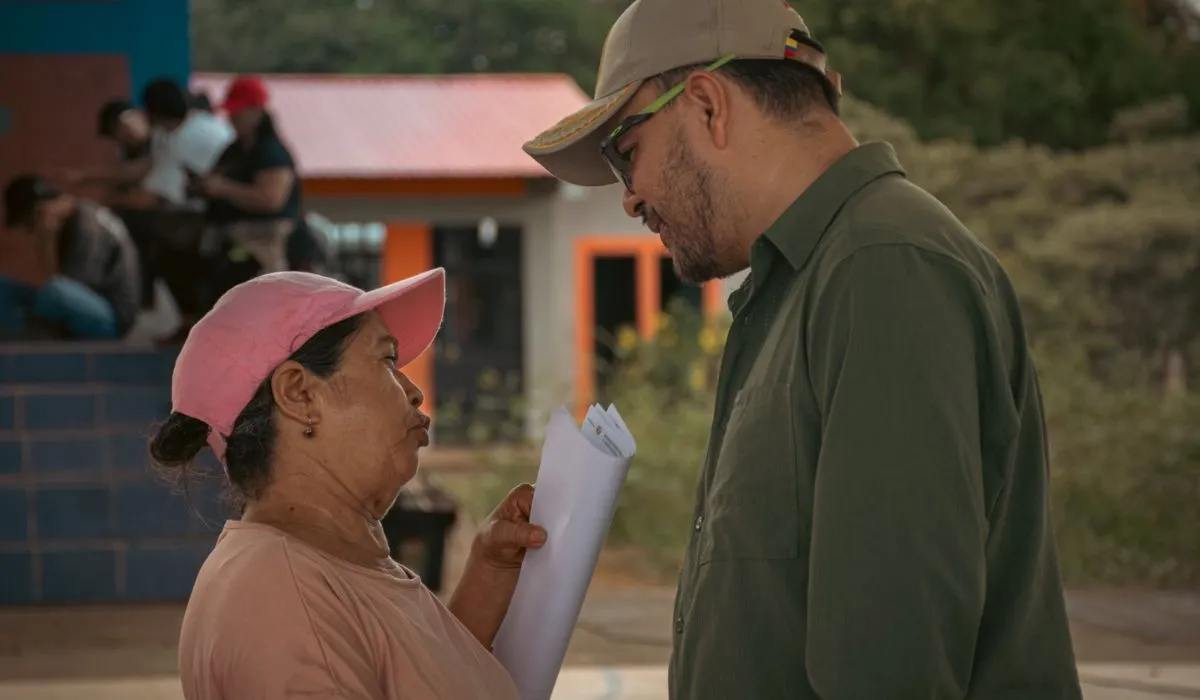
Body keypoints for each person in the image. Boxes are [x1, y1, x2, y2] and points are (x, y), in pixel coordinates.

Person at [522, 0, 1084, 698]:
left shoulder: (884, 271)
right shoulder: (804, 283)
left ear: (705, 106)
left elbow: (890, 663)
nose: (630, 198)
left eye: (626, 152)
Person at [149, 267, 539, 699]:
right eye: (388, 360)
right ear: (299, 394)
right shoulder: (284, 597)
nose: (414, 392)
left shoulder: (320, 567)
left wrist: (488, 571)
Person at [194, 75, 316, 277]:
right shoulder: (234, 150)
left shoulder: (271, 151)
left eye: (238, 113)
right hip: (232, 241)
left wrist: (224, 188)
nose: (232, 119)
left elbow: (271, 199)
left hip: (269, 246)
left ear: (256, 111)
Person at [0, 175, 140, 340]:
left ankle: (31, 341)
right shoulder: (70, 219)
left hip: (111, 318)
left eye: (29, 223)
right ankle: (15, 343)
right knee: (3, 287)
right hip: (84, 303)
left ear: (40, 210)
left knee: (54, 291)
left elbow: (66, 288)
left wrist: (46, 240)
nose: (30, 230)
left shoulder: (86, 224)